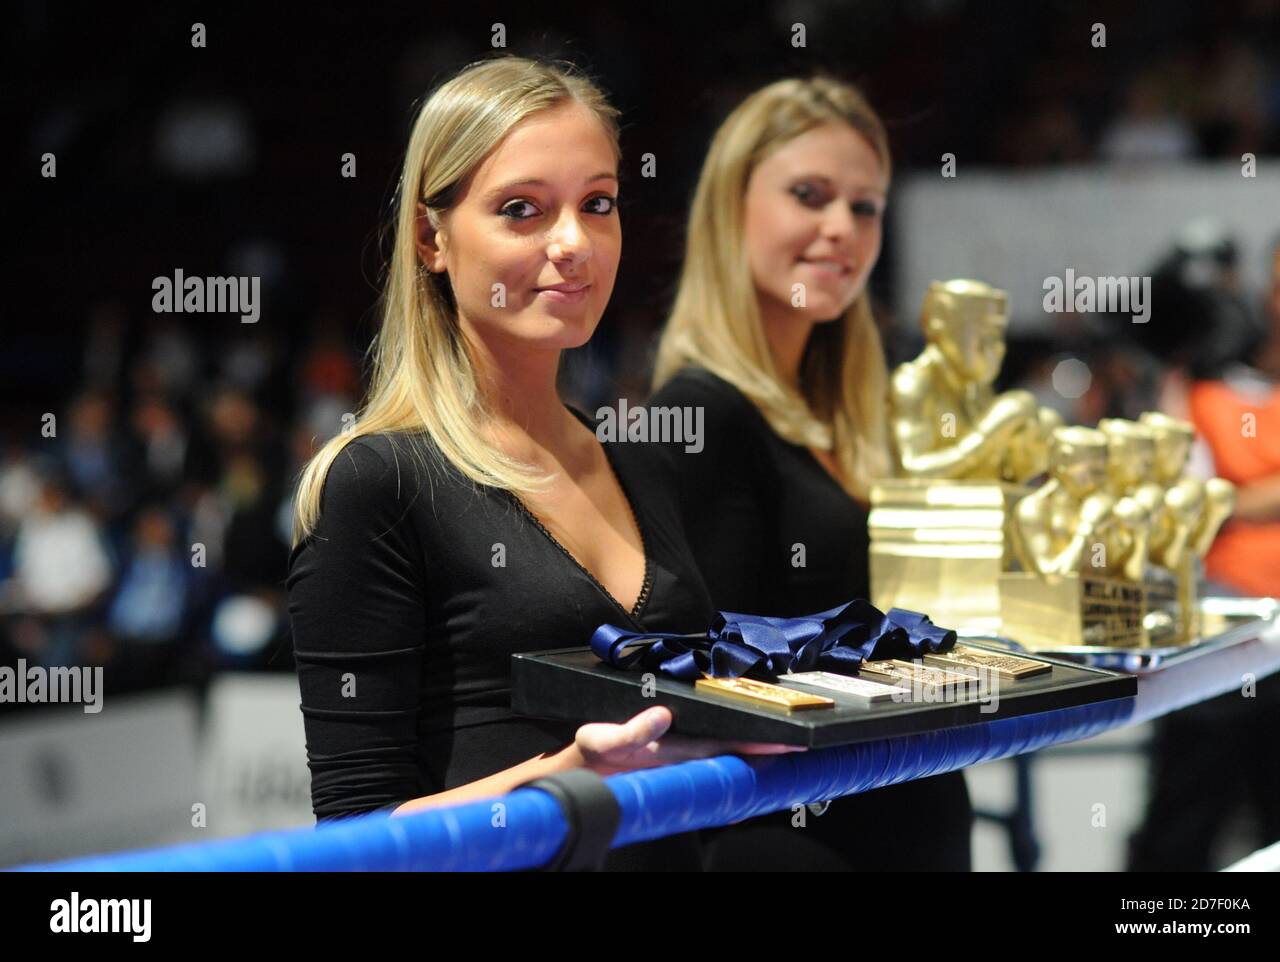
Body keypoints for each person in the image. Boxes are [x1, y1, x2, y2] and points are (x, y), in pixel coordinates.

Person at [285, 56, 799, 871]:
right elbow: (354, 840)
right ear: (431, 238)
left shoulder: (636, 458)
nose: (575, 244)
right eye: (523, 210)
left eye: (598, 204)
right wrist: (566, 780)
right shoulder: (379, 482)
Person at [649, 76, 972, 870]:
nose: (842, 229)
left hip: (906, 809)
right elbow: (705, 688)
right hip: (795, 842)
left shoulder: (858, 415)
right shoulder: (701, 415)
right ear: (732, 208)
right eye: (809, 194)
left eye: (865, 207)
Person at [1127, 223, 1280, 870]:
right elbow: (1173, 496)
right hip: (1216, 642)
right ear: (1266, 292)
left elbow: (1205, 502)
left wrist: (1228, 501)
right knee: (1179, 832)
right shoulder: (1204, 379)